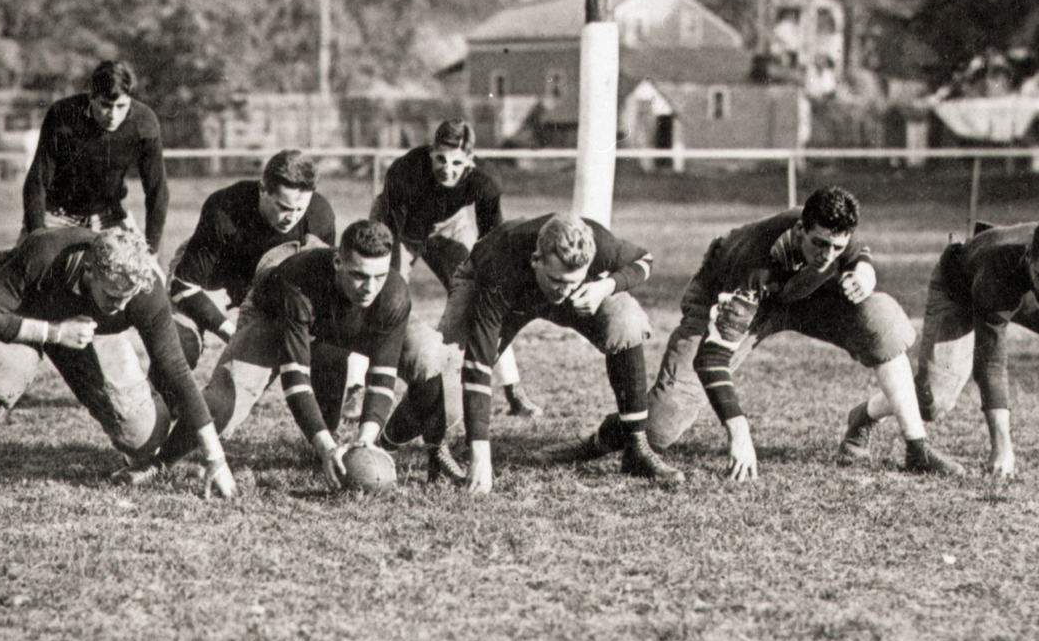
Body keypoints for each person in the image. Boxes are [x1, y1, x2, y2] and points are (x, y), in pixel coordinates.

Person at [635, 186, 959, 481]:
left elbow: (856, 250)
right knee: (659, 428)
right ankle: (614, 431)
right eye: (819, 244)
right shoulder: (754, 262)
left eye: (836, 247)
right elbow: (711, 358)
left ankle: (917, 448)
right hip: (735, 297)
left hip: (800, 296)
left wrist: (865, 270)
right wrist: (739, 429)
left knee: (880, 317)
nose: (828, 256)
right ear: (801, 229)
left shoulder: (831, 236)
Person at [0, 227, 233, 500]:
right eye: (112, 296)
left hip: (83, 328)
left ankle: (136, 414)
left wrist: (215, 457)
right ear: (90, 270)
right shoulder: (44, 252)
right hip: (27, 308)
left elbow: (176, 369)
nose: (120, 306)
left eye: (128, 297)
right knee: (4, 368)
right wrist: (53, 332)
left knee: (143, 434)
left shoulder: (143, 291)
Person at [843, 219, 1039, 476]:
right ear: (1027, 258)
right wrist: (1001, 445)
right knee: (932, 399)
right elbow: (991, 364)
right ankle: (864, 415)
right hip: (962, 289)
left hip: (1020, 289)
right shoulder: (997, 275)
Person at [160, 219, 457, 490]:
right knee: (224, 401)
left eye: (378, 276)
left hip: (343, 321)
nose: (370, 288)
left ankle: (394, 443)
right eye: (358, 275)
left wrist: (366, 438)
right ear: (338, 261)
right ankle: (159, 462)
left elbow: (382, 373)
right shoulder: (298, 281)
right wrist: (326, 446)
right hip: (273, 313)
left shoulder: (392, 293)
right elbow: (296, 377)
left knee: (433, 357)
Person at [423, 211, 684, 490]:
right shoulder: (502, 263)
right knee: (451, 360)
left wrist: (605, 286)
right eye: (558, 281)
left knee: (625, 320)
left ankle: (636, 445)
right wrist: (481, 455)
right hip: (502, 287)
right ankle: (435, 451)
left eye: (574, 281)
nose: (565, 291)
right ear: (535, 260)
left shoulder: (596, 244)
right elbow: (479, 363)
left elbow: (644, 259)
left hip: (552, 284)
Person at [372, 119, 541, 417]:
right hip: (401, 227)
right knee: (380, 294)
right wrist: (390, 277)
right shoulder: (405, 170)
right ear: (430, 153)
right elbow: (392, 235)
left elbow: (494, 242)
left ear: (470, 162)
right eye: (440, 158)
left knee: (483, 294)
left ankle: (513, 389)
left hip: (449, 228)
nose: (446, 168)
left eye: (456, 162)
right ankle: (356, 388)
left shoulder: (485, 181)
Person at [167, 148, 337, 369]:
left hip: (264, 284)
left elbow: (326, 289)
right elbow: (182, 286)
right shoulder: (224, 207)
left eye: (300, 209)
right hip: (211, 281)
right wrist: (230, 332)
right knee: (181, 343)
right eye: (284, 207)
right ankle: (155, 399)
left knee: (329, 345)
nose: (292, 218)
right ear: (263, 189)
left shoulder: (319, 216)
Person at [22, 59, 169, 251]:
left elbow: (157, 190)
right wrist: (37, 237)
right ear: (92, 96)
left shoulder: (144, 123)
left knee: (146, 276)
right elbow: (37, 181)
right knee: (21, 273)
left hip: (109, 219)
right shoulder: (62, 115)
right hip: (56, 217)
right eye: (106, 105)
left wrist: (152, 250)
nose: (113, 116)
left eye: (121, 106)